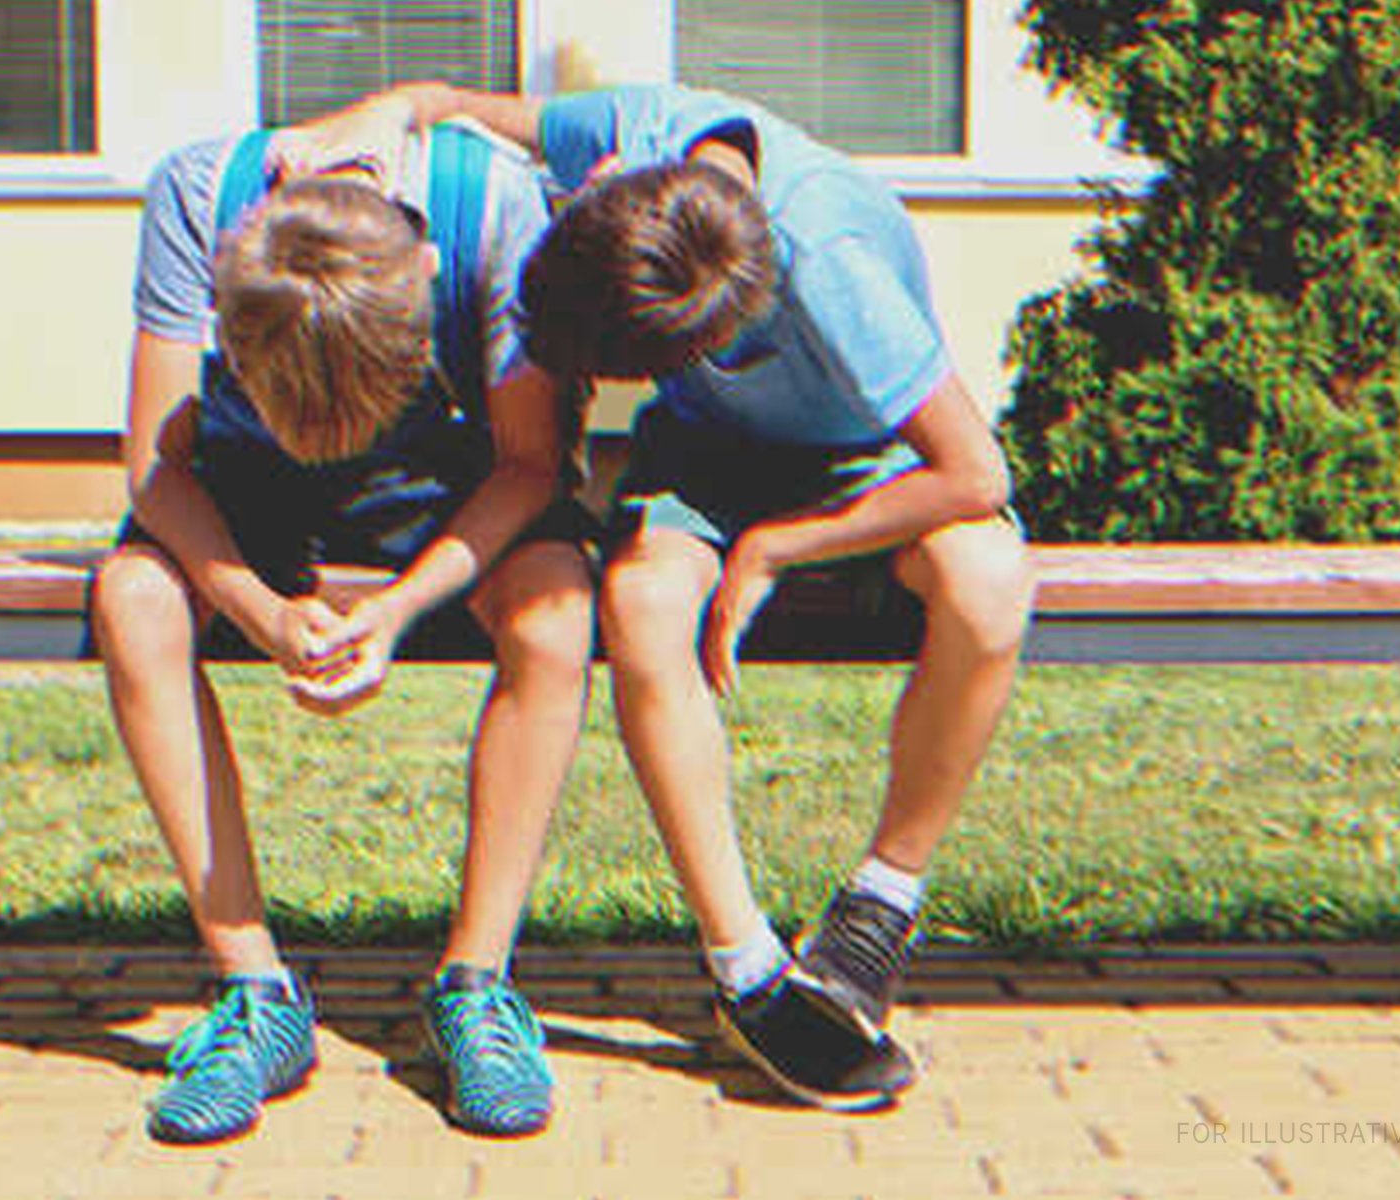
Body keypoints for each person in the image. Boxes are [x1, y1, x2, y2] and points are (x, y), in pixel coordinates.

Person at [304, 82, 1033, 1111]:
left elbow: (975, 476)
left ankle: (879, 907)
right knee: (641, 604)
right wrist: (391, 110)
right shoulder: (635, 133)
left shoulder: (833, 271)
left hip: (870, 465)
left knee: (990, 582)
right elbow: (462, 103)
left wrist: (777, 548)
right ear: (603, 185)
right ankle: (748, 970)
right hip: (707, 459)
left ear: (696, 348)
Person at [93, 116, 595, 1143]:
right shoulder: (194, 195)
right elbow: (156, 467)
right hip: (242, 487)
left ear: (428, 281)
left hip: (451, 484)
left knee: (557, 610)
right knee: (131, 598)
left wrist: (401, 605)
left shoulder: (495, 209)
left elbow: (529, 463)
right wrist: (264, 610)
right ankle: (255, 995)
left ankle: (476, 987)